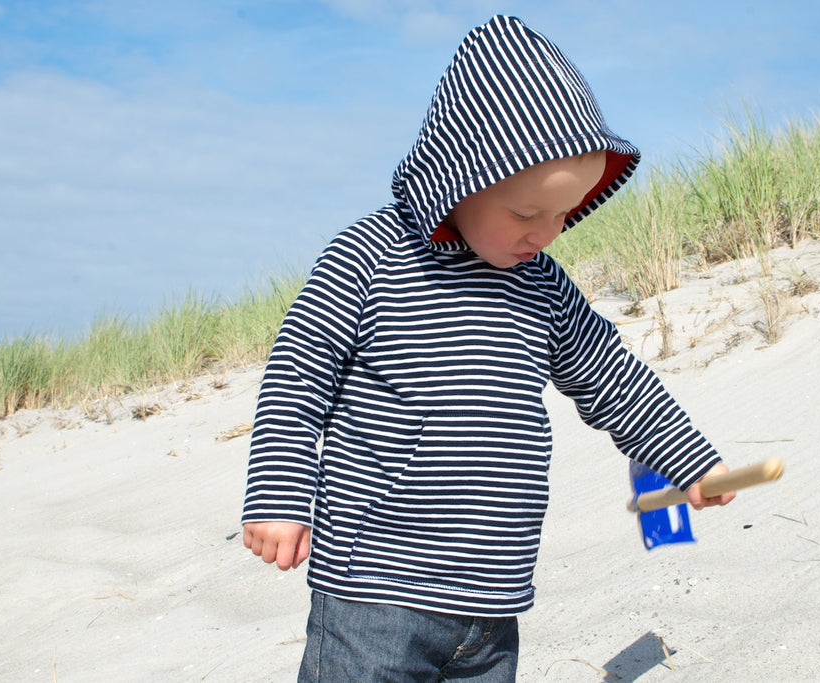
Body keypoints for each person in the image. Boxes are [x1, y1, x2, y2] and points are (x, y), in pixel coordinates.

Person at [242, 15, 733, 681]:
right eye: (527, 214)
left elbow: (615, 379)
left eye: (565, 214)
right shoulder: (370, 259)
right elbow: (297, 377)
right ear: (458, 180)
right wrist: (278, 493)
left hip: (492, 605)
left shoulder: (543, 288)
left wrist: (687, 461)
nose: (548, 233)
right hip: (375, 591)